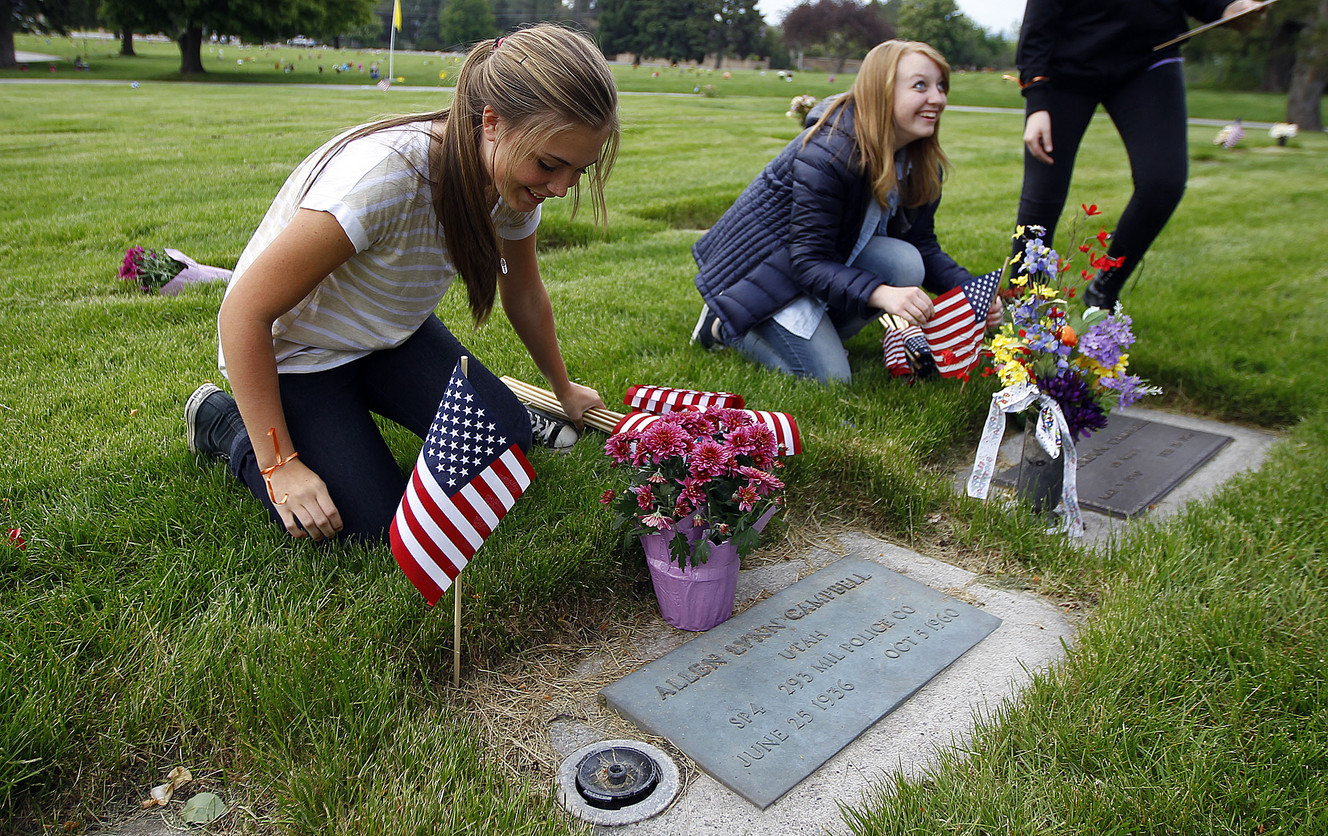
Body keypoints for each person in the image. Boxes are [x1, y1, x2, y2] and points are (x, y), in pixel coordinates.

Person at [184, 24, 618, 543]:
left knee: (508, 441)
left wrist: (563, 389)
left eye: (579, 171)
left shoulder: (510, 185)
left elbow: (522, 293)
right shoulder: (385, 180)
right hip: (300, 357)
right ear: (493, 123)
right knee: (369, 527)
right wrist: (280, 466)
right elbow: (243, 313)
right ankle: (225, 424)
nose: (560, 187)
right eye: (549, 165)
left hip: (389, 339)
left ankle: (351, 415)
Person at [690, 40, 1001, 384]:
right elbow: (806, 262)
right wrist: (881, 293)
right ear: (881, 91)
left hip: (823, 264)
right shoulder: (829, 152)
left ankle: (818, 335)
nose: (938, 98)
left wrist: (971, 292)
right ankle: (724, 326)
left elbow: (922, 245)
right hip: (763, 275)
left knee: (907, 261)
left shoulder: (918, 161)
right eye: (920, 85)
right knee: (831, 380)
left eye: (941, 85)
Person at [1015, 0, 1262, 309]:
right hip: (1066, 67)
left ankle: (1105, 285)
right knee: (1042, 198)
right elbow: (1038, 20)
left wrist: (1227, 6)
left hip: (1150, 59)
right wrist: (1037, 98)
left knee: (1163, 183)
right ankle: (1026, 311)